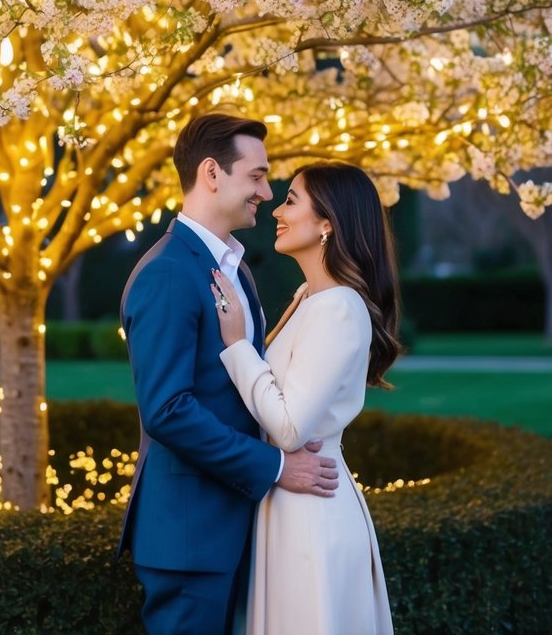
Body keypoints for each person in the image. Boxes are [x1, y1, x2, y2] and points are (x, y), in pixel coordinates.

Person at [119, 113, 340, 635]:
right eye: (257, 176)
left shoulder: (234, 268)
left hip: (233, 522)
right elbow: (167, 410)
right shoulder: (168, 273)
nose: (267, 191)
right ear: (212, 173)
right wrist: (275, 466)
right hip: (189, 537)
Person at [211, 162, 401, 635]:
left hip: (314, 516)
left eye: (291, 200)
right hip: (290, 502)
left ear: (328, 223)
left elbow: (291, 426)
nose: (277, 209)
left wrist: (236, 346)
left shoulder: (338, 307)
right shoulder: (308, 297)